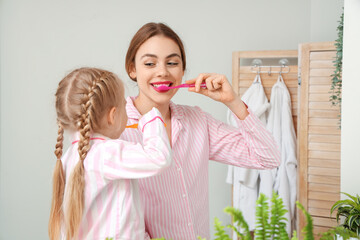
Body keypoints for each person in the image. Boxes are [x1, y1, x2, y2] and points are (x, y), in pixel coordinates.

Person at [121, 22, 281, 239]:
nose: (162, 72)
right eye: (150, 63)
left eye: (172, 63)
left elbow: (268, 158)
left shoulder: (197, 121)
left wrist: (233, 101)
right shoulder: (115, 128)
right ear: (132, 69)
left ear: (183, 70)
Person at [48, 67, 172, 240]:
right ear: (112, 116)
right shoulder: (107, 153)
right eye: (124, 104)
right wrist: (151, 118)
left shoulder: (68, 158)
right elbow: (159, 157)